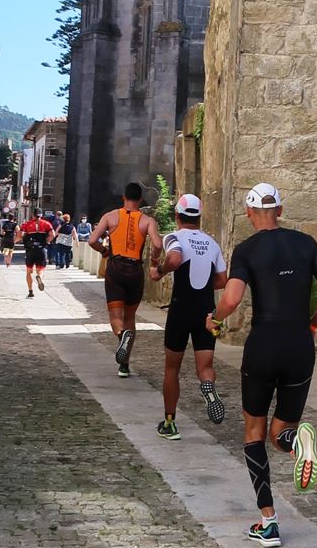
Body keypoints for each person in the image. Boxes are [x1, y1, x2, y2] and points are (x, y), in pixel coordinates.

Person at [206, 183, 317, 548]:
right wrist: (313, 324)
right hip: (300, 347)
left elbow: (232, 299)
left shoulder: (247, 249)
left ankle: (268, 521)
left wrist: (213, 317)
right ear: (280, 211)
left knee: (254, 431)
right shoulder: (306, 243)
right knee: (281, 434)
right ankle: (299, 445)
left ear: (250, 213)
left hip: (263, 347)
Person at [150, 194, 227, 440]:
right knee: (205, 366)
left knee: (172, 368)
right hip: (206, 310)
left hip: (181, 307)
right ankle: (208, 387)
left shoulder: (174, 237)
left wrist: (160, 271)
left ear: (177, 216)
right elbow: (223, 280)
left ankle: (170, 423)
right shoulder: (212, 242)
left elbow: (174, 258)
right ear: (199, 216)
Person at [89, 182, 162, 377]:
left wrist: (105, 251)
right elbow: (157, 243)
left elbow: (91, 240)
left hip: (115, 267)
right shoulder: (148, 221)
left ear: (124, 197)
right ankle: (124, 366)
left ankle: (122, 336)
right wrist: (154, 260)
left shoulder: (110, 216)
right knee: (130, 318)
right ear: (140, 200)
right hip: (135, 270)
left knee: (115, 317)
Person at [17, 208, 54, 298]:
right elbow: (52, 234)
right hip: (41, 249)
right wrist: (47, 241)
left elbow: (20, 235)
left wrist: (14, 241)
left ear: (32, 215)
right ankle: (39, 277)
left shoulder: (26, 224)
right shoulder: (47, 224)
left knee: (29, 271)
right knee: (40, 270)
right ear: (41, 215)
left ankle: (30, 291)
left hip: (30, 250)